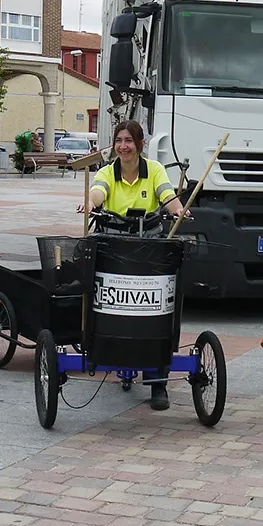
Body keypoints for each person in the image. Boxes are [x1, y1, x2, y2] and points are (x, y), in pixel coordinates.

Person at [87, 120, 186, 411]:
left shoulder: (154, 169)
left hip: (149, 249)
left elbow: (167, 195)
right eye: (119, 140)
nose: (123, 146)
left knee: (156, 312)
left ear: (140, 144)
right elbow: (98, 192)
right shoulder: (107, 171)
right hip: (114, 249)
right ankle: (108, 351)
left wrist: (178, 208)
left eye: (129, 140)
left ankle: (157, 383)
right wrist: (91, 203)